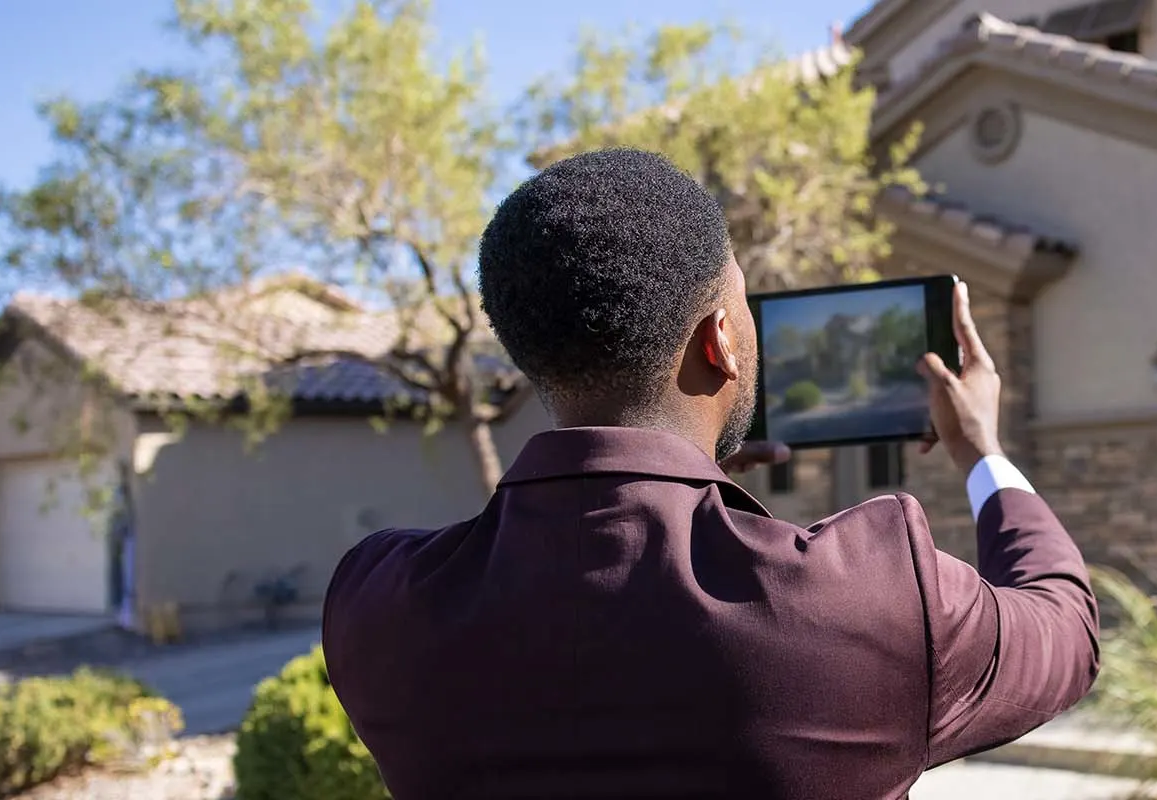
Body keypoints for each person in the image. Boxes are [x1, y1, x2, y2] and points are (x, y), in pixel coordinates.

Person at [321, 148, 1099, 799]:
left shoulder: (379, 606)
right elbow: (1065, 625)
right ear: (722, 341)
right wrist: (983, 455)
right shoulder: (873, 596)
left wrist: (691, 476)